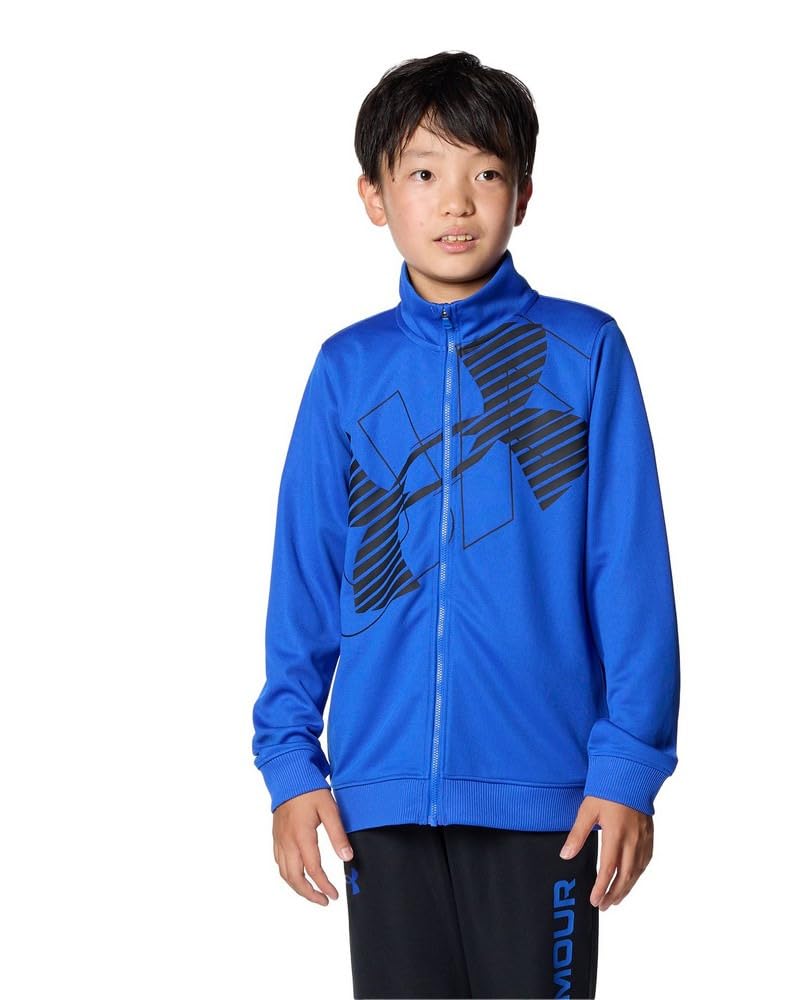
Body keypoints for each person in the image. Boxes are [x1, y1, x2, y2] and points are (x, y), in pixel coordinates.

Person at [251, 49, 682, 1000]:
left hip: (547, 801)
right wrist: (291, 763)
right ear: (373, 196)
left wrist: (627, 766)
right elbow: (307, 576)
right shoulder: (348, 370)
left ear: (522, 194)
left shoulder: (581, 352)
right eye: (423, 173)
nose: (456, 202)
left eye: (486, 173)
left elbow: (628, 571)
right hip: (381, 802)